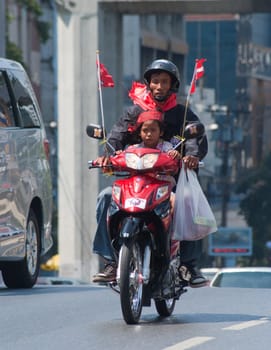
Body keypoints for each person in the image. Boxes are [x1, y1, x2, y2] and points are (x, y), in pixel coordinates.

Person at [92, 58, 208, 287]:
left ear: (172, 85)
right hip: (134, 181)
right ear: (148, 83)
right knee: (105, 197)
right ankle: (111, 262)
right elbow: (115, 138)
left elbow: (194, 139)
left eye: (165, 82)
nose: (160, 86)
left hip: (171, 181)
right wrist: (107, 155)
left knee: (188, 201)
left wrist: (191, 157)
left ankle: (188, 265)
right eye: (155, 81)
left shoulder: (183, 113)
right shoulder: (134, 112)